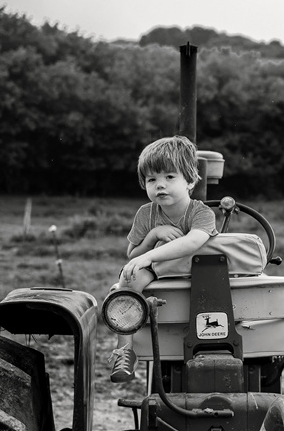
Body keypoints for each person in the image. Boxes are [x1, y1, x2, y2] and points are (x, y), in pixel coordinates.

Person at [109, 135, 218, 382]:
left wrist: (149, 255)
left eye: (170, 177)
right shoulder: (146, 214)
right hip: (158, 268)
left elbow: (192, 242)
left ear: (190, 181)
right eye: (152, 179)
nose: (160, 185)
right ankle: (124, 352)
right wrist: (153, 236)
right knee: (129, 277)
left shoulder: (201, 213)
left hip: (197, 271)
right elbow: (133, 255)